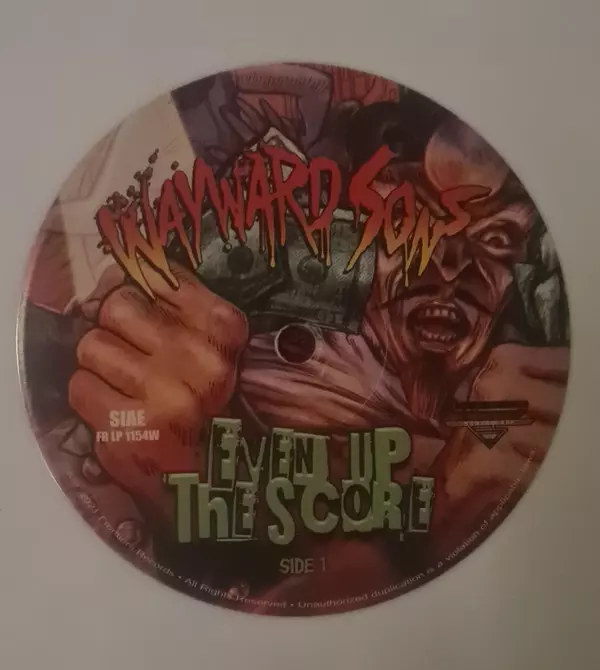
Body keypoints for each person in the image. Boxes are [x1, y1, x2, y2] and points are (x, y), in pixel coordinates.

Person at [67, 92, 569, 611]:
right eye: (407, 222)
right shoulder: (248, 372)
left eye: (496, 238)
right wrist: (178, 480)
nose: (448, 267)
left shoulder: (532, 409)